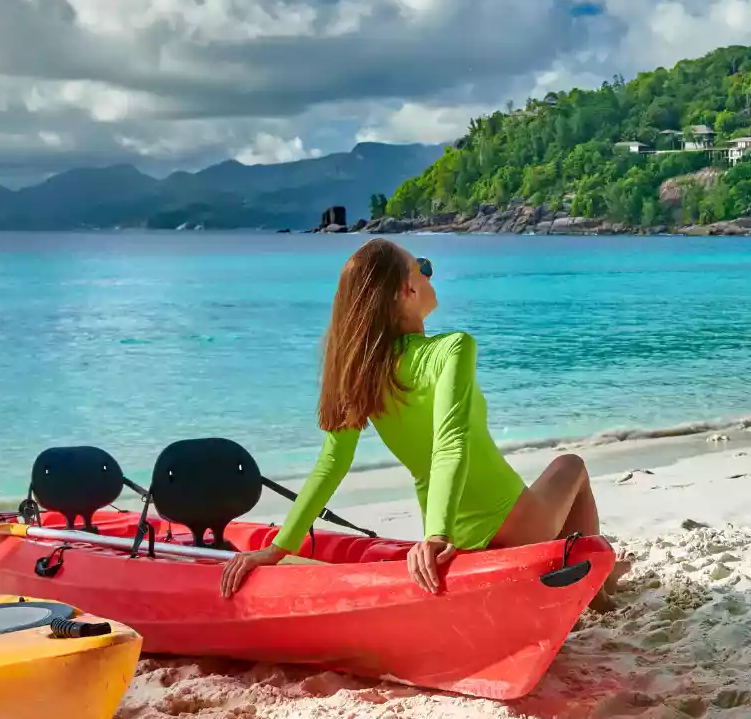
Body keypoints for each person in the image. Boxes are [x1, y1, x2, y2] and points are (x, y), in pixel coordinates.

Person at [220, 238, 615, 597]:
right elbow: (451, 441)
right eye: (422, 267)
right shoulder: (453, 349)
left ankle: (573, 582)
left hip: (451, 538)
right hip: (512, 524)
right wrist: (435, 535)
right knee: (571, 465)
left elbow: (331, 464)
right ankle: (597, 589)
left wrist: (277, 548)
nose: (430, 274)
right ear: (407, 290)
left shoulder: (358, 374)